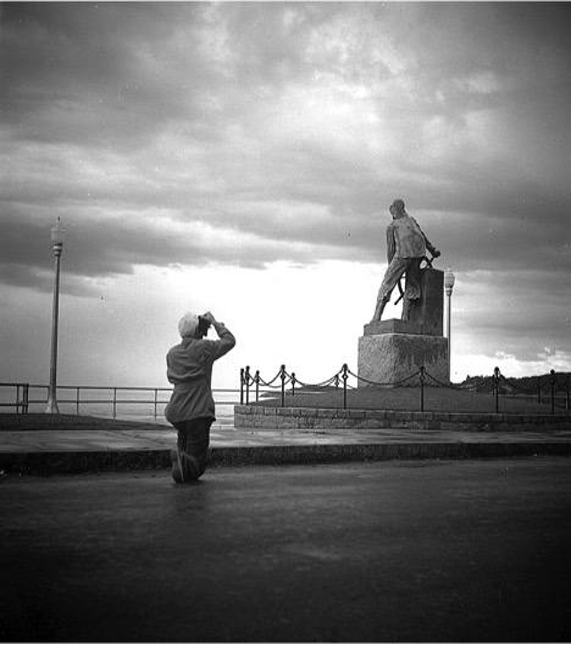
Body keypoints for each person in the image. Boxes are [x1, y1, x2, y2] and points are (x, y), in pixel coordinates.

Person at [165, 310, 236, 483]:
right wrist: (215, 322)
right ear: (198, 331)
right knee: (199, 461)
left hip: (177, 411)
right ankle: (181, 460)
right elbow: (229, 341)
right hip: (198, 411)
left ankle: (181, 458)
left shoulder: (172, 353)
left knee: (186, 449)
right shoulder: (204, 348)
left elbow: (171, 377)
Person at [372, 198, 440, 322]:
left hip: (403, 254)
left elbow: (391, 250)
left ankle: (377, 317)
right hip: (418, 254)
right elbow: (423, 237)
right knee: (412, 284)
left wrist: (390, 267)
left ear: (394, 212)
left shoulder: (392, 226)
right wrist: (433, 251)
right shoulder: (412, 221)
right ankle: (406, 317)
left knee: (387, 284)